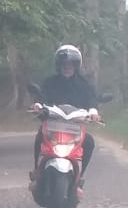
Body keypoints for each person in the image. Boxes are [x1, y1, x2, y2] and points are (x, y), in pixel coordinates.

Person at [31, 45, 98, 193]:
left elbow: (92, 100)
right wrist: (38, 104)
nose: (67, 67)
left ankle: (79, 178)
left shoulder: (84, 84)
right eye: (64, 64)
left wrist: (93, 111)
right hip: (53, 125)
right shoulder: (50, 82)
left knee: (89, 142)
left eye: (71, 64)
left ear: (76, 66)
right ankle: (37, 172)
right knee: (39, 136)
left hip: (75, 128)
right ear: (59, 65)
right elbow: (41, 96)